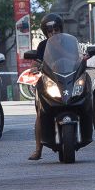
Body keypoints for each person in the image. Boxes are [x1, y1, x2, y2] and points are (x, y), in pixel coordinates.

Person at [28, 13, 64, 160]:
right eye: (50, 31)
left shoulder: (68, 42)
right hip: (49, 81)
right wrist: (34, 67)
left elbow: (77, 57)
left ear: (61, 29)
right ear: (45, 32)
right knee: (40, 114)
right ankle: (38, 150)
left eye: (56, 29)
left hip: (67, 80)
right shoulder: (43, 45)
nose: (53, 33)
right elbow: (35, 62)